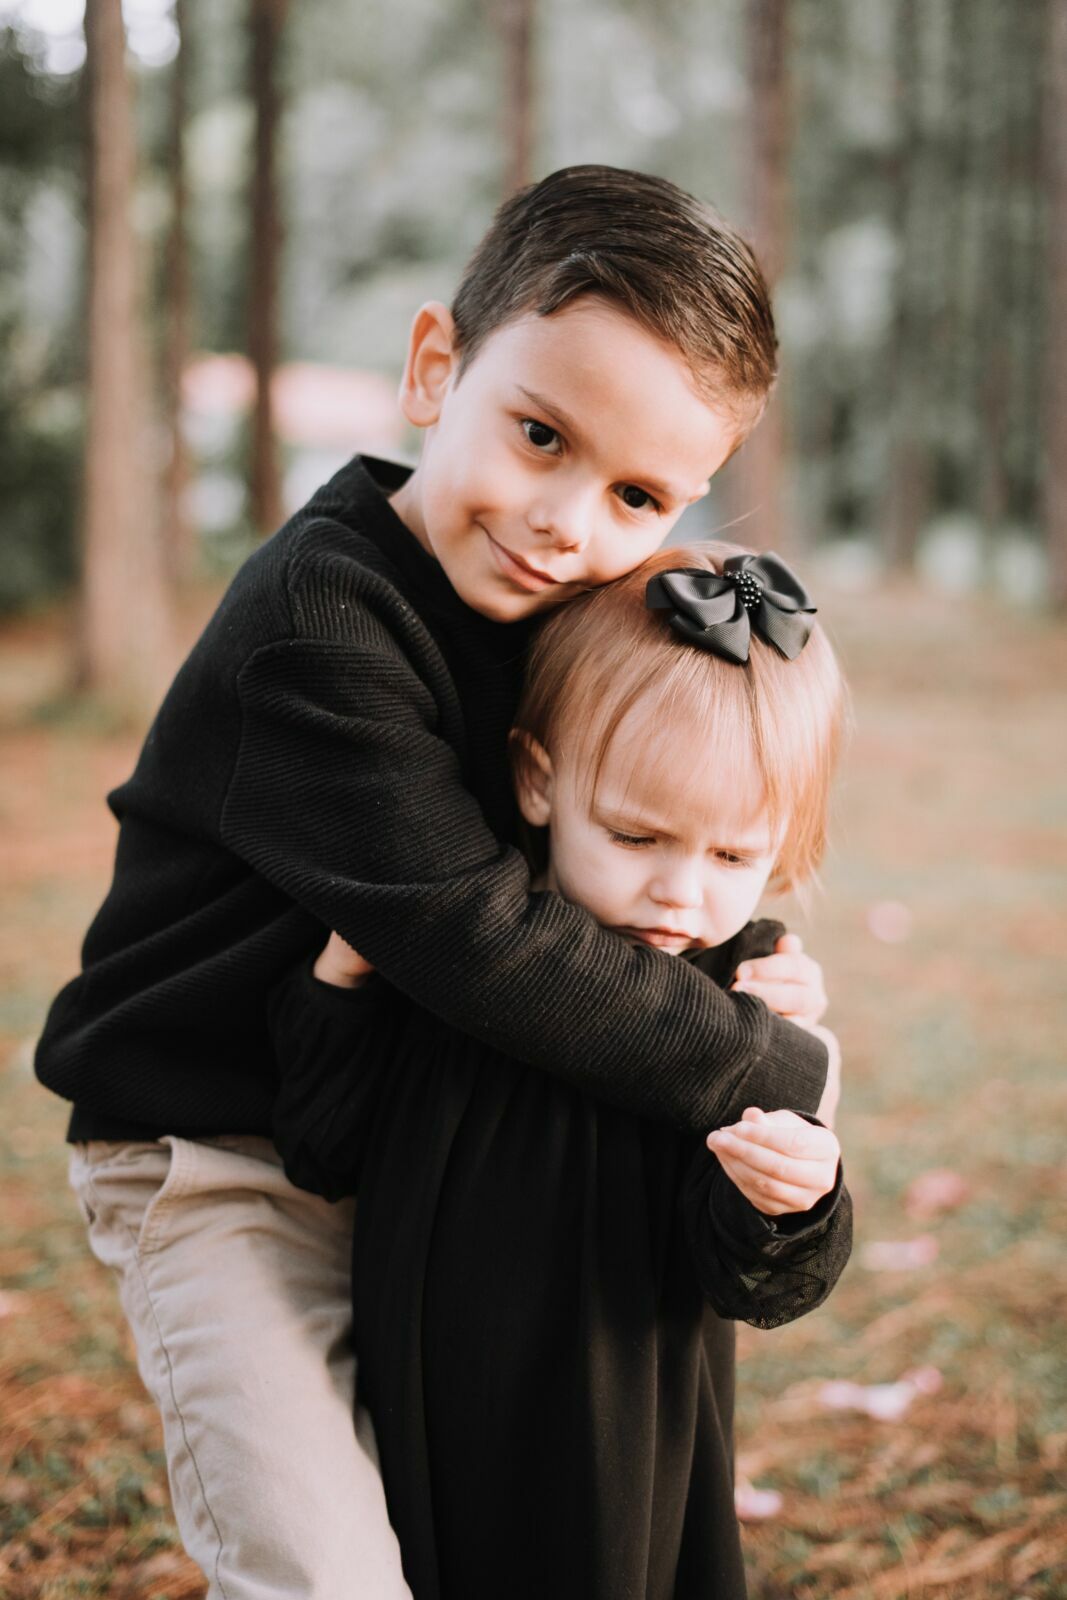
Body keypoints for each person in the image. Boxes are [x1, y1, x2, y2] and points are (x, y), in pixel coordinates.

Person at [38, 166, 835, 1599]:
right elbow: (479, 934)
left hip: (414, 1146)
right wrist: (759, 1060)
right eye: (538, 435)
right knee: (323, 1566)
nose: (565, 521)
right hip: (222, 1155)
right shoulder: (319, 625)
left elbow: (642, 824)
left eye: (635, 493)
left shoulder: (561, 609)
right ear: (431, 370)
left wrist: (742, 950)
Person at [270, 541, 852, 1600]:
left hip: (618, 1423)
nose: (680, 892)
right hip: (430, 1398)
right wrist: (338, 985)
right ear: (538, 779)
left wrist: (791, 1200)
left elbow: (748, 1276)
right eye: (636, 834)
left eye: (732, 856)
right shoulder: (466, 947)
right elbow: (321, 1144)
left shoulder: (739, 999)